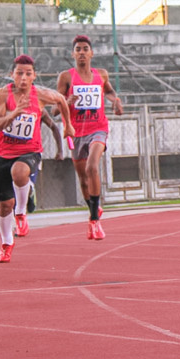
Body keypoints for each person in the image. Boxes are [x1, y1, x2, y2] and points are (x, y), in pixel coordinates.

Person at [0, 55, 73, 262]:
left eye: (28, 73)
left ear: (34, 76)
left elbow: (62, 100)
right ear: (12, 75)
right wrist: (15, 113)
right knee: (4, 205)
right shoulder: (3, 94)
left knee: (19, 173)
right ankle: (6, 242)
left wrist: (68, 125)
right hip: (4, 153)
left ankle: (21, 213)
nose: (23, 78)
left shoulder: (41, 95)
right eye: (19, 73)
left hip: (30, 150)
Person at [56, 35, 123, 240]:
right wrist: (68, 101)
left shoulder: (101, 75)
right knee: (83, 181)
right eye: (78, 49)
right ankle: (93, 207)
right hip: (76, 132)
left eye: (85, 49)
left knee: (92, 167)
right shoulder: (66, 77)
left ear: (91, 53)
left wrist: (116, 100)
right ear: (73, 54)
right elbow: (55, 109)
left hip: (98, 128)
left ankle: (94, 221)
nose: (82, 52)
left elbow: (110, 91)